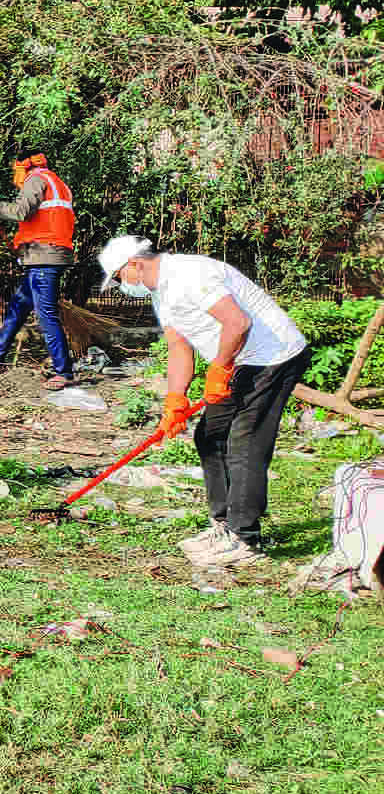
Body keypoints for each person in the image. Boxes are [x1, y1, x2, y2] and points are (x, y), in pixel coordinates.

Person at [99, 234, 311, 567]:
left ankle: (245, 539)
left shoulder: (189, 274)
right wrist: (175, 400)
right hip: (238, 361)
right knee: (210, 436)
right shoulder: (161, 293)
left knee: (244, 441)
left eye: (118, 277)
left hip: (274, 357)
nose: (121, 285)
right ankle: (222, 525)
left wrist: (220, 367)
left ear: (135, 264)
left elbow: (238, 323)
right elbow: (179, 348)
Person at [0, 151, 77, 389]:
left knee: (45, 313)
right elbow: (44, 220)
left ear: (23, 166)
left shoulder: (36, 179)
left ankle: (64, 372)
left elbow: (20, 211)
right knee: (19, 306)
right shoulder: (56, 182)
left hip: (45, 256)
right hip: (43, 254)